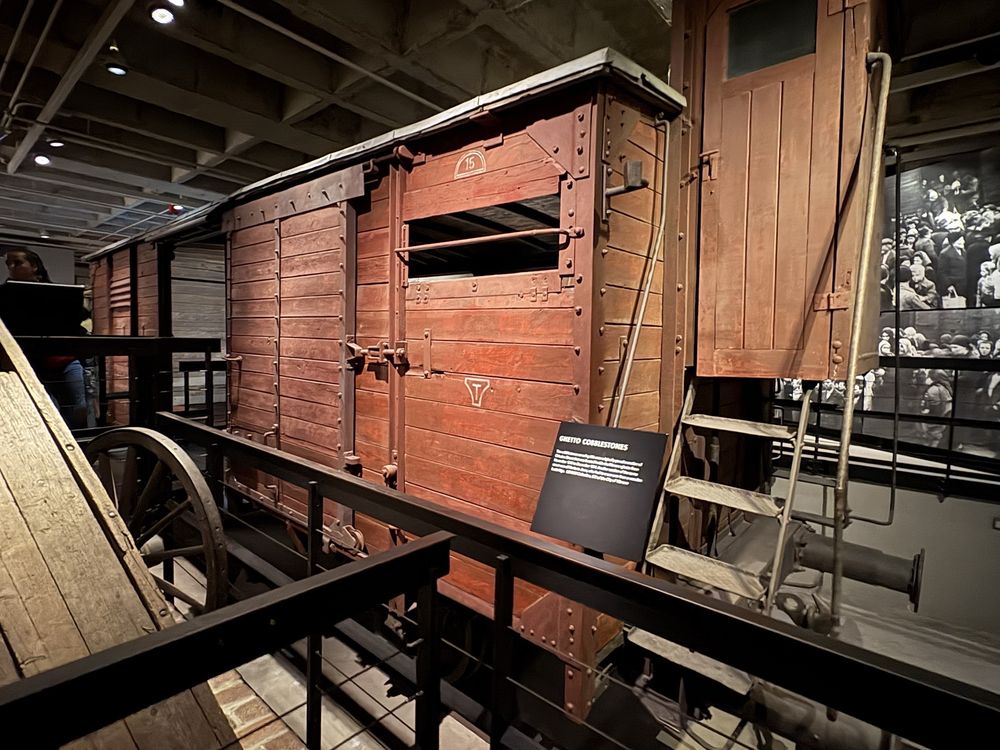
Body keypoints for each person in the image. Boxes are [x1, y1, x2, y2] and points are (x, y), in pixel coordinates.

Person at [2, 247, 88, 427]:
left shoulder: (56, 293)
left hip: (64, 360)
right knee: (45, 410)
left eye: (17, 262)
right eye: (8, 263)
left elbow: (79, 318)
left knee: (78, 407)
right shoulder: (4, 295)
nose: (11, 267)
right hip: (30, 363)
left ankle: (77, 445)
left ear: (34, 266)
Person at [936, 232, 968, 300]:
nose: (963, 242)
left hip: (963, 284)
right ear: (953, 242)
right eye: (960, 241)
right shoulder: (944, 254)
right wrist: (948, 285)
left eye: (963, 240)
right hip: (954, 285)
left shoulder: (963, 251)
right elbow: (942, 272)